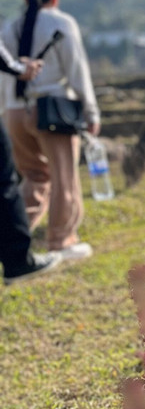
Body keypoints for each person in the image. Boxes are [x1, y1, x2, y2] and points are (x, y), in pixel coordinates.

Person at [1, 0, 100, 262]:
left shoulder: (9, 27)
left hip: (14, 112)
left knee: (33, 177)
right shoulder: (61, 23)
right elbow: (77, 70)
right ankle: (61, 240)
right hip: (51, 110)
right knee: (64, 177)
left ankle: (12, 235)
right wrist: (91, 111)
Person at [0, 42, 65, 284]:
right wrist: (19, 68)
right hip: (44, 104)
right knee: (4, 182)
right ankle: (18, 260)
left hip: (12, 109)